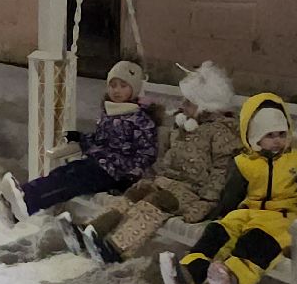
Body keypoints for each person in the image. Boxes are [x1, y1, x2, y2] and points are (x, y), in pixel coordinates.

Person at [159, 93, 297, 284]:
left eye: (282, 134)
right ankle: (187, 273)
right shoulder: (245, 163)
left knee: (257, 238)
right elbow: (232, 195)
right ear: (255, 137)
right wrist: (219, 214)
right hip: (250, 211)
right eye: (270, 135)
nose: (277, 140)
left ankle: (231, 278)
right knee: (219, 230)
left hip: (283, 216)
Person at [70, 61, 243, 264]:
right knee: (137, 191)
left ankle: (116, 248)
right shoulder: (185, 127)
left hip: (192, 192)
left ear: (205, 107)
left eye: (188, 102)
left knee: (155, 202)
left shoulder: (220, 132)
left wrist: (208, 202)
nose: (182, 106)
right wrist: (154, 177)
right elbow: (167, 158)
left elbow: (221, 171)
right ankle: (93, 230)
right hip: (167, 181)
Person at [0, 60, 157, 226]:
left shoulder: (140, 119)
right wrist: (80, 138)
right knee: (63, 173)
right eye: (113, 85)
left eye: (123, 86)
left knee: (70, 181)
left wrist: (126, 173)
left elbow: (147, 155)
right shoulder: (110, 112)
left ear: (134, 89)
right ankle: (17, 203)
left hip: (117, 176)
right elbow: (100, 141)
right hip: (99, 165)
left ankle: (26, 202)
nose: (117, 90)